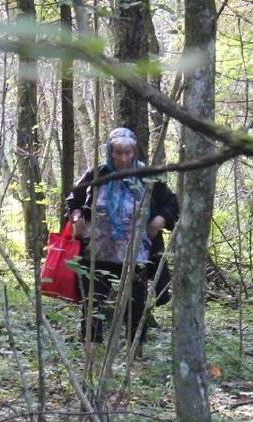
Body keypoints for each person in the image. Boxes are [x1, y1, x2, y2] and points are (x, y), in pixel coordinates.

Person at [65, 127, 179, 354]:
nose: (123, 158)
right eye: (118, 153)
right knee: (92, 304)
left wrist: (159, 220)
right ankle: (92, 355)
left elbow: (172, 203)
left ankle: (134, 353)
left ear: (134, 152)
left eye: (128, 153)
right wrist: (77, 217)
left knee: (135, 306)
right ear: (109, 151)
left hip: (136, 255)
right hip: (97, 255)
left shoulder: (147, 177)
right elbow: (72, 200)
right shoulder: (96, 174)